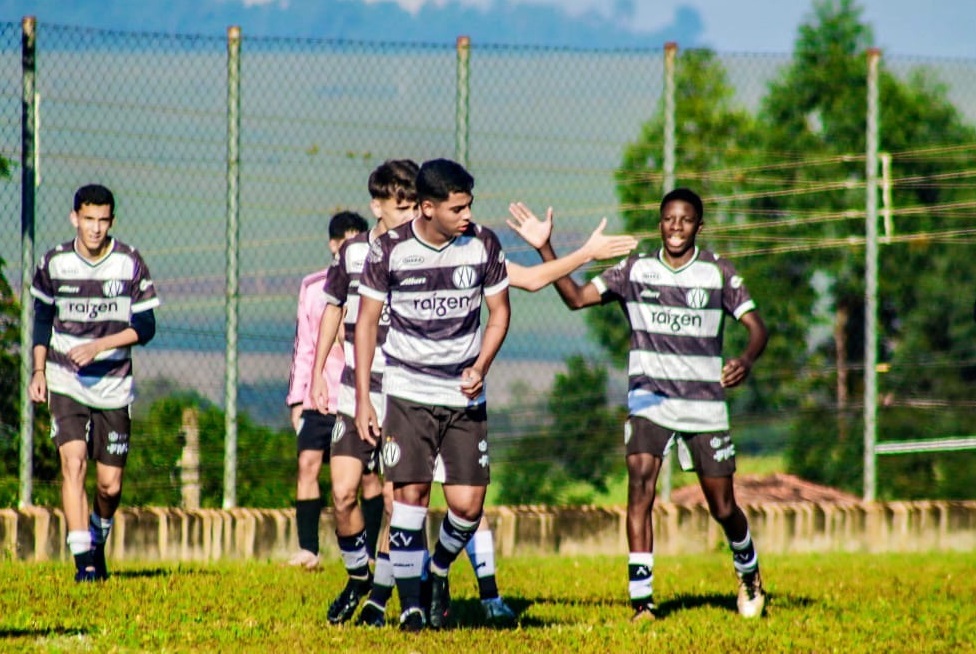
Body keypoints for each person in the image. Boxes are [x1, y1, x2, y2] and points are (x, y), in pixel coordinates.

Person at [516, 187, 769, 620]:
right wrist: (545, 246)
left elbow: (757, 327)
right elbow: (576, 298)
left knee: (722, 506)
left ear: (698, 227)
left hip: (704, 404)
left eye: (685, 220)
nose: (676, 227)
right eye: (669, 219)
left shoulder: (718, 273)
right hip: (649, 399)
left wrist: (745, 359)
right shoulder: (634, 270)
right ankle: (642, 602)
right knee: (639, 486)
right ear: (660, 224)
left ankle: (748, 572)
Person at [354, 158, 510, 631]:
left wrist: (481, 366)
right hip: (407, 391)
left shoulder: (483, 243)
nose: (467, 215)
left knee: (467, 505)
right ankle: (414, 607)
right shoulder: (389, 251)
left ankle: (438, 568)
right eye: (457, 208)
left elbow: (500, 313)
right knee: (410, 496)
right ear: (426, 207)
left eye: (469, 205)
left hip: (463, 397)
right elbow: (364, 324)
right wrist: (364, 398)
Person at [29, 184, 160, 582]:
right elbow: (40, 320)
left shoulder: (130, 262)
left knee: (110, 486)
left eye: (103, 220)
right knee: (73, 463)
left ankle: (97, 536)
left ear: (111, 221)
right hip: (65, 380)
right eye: (89, 219)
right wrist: (38, 372)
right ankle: (84, 562)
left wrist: (100, 345)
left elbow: (146, 326)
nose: (95, 228)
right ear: (75, 218)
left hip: (113, 386)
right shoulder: (54, 263)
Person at [310, 159, 421, 626]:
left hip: (402, 391)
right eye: (402, 207)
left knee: (397, 502)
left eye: (415, 205)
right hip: (355, 389)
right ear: (376, 206)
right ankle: (358, 579)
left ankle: (379, 594)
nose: (411, 214)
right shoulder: (353, 253)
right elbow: (332, 309)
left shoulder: (421, 250)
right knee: (342, 494)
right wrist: (318, 372)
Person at [285, 210, 373, 570]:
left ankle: (368, 551)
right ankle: (309, 550)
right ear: (333, 246)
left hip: (356, 395)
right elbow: (304, 346)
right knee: (307, 464)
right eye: (345, 243)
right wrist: (297, 398)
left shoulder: (373, 285)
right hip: (318, 397)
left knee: (365, 477)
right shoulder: (312, 287)